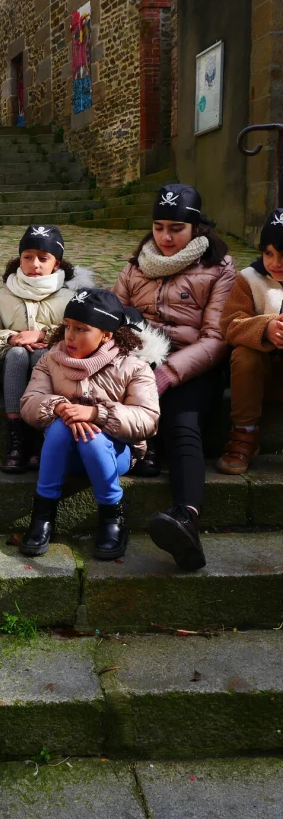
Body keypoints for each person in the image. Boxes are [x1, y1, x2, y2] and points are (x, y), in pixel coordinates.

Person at [113, 184, 236, 571]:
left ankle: (186, 517)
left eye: (176, 229)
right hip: (139, 361)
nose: (165, 237)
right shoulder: (135, 267)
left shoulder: (220, 269)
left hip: (191, 366)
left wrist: (169, 373)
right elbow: (113, 318)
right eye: (159, 227)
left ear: (196, 228)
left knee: (183, 423)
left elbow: (216, 340)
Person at [19, 289, 165, 559]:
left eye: (81, 329)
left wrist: (97, 414)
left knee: (92, 436)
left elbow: (148, 419)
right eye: (67, 327)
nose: (70, 336)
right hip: (62, 452)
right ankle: (43, 516)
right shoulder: (50, 360)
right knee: (63, 426)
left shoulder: (134, 366)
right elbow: (29, 402)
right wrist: (60, 407)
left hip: (115, 453)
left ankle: (112, 518)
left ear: (107, 334)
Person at [0, 225, 94, 473]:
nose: (34, 264)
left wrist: (44, 334)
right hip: (11, 372)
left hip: (57, 372)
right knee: (19, 353)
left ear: (57, 264)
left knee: (42, 353)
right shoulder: (0, 297)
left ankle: (41, 434)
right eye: (27, 257)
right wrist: (11, 339)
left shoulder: (71, 298)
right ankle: (16, 437)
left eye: (43, 258)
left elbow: (83, 333)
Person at [217, 209, 283, 474]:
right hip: (260, 380)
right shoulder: (249, 279)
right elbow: (229, 324)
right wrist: (265, 328)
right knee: (245, 353)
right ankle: (244, 433)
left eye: (282, 254)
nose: (275, 262)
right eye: (268, 253)